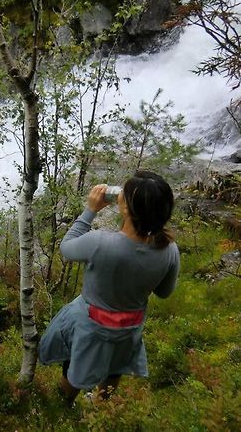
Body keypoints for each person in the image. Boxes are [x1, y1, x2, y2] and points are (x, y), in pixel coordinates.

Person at [39, 170, 180, 403]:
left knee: (75, 365)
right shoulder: (169, 249)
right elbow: (164, 292)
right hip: (129, 327)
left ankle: (64, 405)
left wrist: (90, 210)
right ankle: (102, 407)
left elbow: (66, 248)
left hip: (91, 325)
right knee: (116, 366)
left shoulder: (100, 242)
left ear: (125, 208)